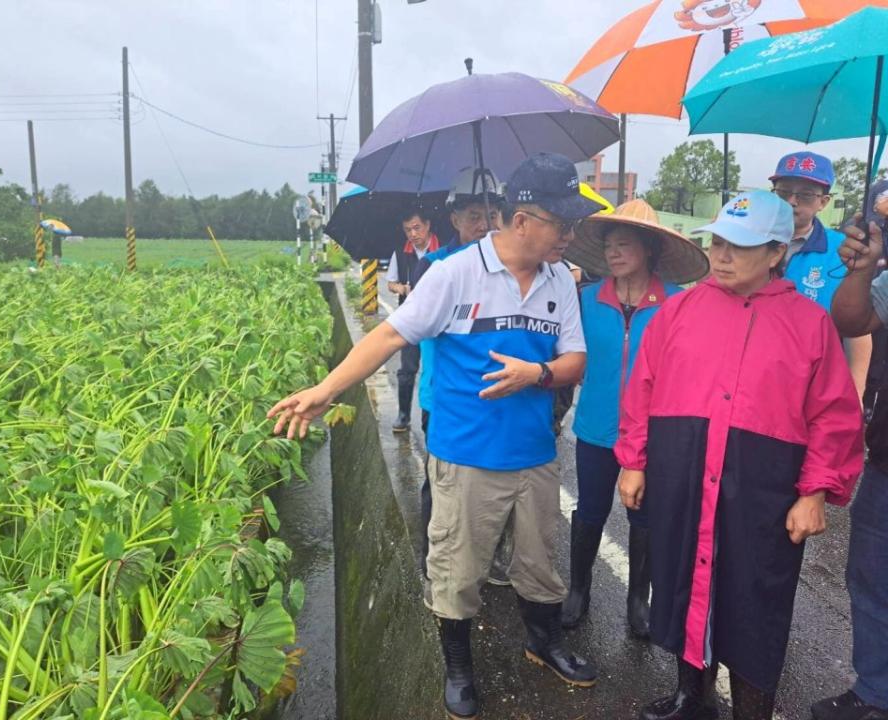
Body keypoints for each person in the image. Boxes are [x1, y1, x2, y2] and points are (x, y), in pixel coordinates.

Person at [269, 154, 601, 720]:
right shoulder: (455, 274)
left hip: (536, 456)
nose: (570, 234)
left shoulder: (559, 283)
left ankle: (543, 642)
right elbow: (391, 337)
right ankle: (459, 667)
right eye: (561, 222)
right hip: (467, 456)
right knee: (458, 568)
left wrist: (536, 375)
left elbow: (575, 361)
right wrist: (326, 389)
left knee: (540, 563)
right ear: (522, 220)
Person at [616, 190, 864, 720]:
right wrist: (634, 460)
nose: (723, 256)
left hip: (763, 484)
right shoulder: (679, 311)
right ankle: (692, 696)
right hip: (682, 469)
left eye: (741, 247)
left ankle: (752, 711)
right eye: (720, 242)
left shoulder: (808, 322)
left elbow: (834, 416)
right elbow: (642, 389)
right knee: (683, 580)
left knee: (754, 601)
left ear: (776, 253)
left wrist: (815, 490)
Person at [560, 199, 710, 638]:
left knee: (644, 517)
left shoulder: (678, 304)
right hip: (595, 428)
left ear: (649, 250)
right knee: (589, 509)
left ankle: (637, 600)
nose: (613, 253)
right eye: (609, 245)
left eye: (624, 244)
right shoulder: (586, 299)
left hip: (653, 438)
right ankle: (579, 589)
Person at [810, 211, 888, 720]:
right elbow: (851, 320)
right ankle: (875, 693)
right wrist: (863, 268)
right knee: (872, 577)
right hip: (885, 463)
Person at [410, 167, 506, 581]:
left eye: (490, 214)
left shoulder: (512, 265)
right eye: (472, 215)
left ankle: (492, 554)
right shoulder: (434, 266)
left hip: (497, 393)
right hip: (445, 397)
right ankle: (434, 558)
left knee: (496, 481)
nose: (483, 223)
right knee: (441, 483)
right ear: (453, 219)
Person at [770, 151, 872, 401]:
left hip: (814, 384)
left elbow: (857, 330)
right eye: (783, 192)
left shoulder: (844, 252)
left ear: (824, 201)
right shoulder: (750, 243)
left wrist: (856, 393)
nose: (792, 201)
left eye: (805, 194)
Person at [386, 207, 440, 433]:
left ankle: (436, 415)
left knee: (436, 369)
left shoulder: (443, 251)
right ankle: (404, 414)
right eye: (408, 230)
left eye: (417, 228)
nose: (413, 234)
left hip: (438, 320)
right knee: (407, 369)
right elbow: (390, 283)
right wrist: (402, 288)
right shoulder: (401, 253)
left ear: (427, 225)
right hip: (410, 319)